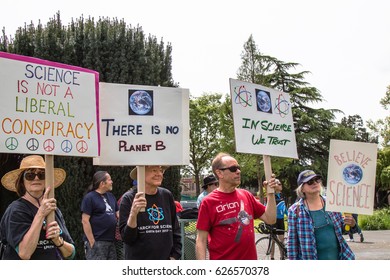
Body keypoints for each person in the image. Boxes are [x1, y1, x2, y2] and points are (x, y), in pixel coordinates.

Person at [196, 152, 277, 260]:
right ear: (219, 173)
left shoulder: (246, 195)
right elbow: (201, 240)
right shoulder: (208, 202)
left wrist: (270, 193)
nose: (238, 171)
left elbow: (270, 219)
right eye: (233, 169)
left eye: (238, 168)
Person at [0, 155, 75, 260]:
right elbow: (24, 253)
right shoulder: (16, 210)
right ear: (22, 181)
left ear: (47, 180)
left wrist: (58, 240)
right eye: (30, 175)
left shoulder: (54, 210)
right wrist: (41, 214)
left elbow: (71, 253)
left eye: (42, 175)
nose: (36, 178)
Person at [287, 169, 356, 260]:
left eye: (317, 179)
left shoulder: (332, 203)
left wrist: (352, 224)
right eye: (310, 182)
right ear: (302, 188)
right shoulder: (295, 210)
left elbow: (342, 230)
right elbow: (292, 243)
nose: (315, 183)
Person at [119, 166, 182, 260]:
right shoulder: (129, 198)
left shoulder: (167, 195)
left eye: (161, 171)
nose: (159, 174)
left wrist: (175, 256)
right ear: (141, 174)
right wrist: (133, 214)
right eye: (154, 170)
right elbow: (127, 238)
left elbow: (175, 229)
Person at [81, 171, 119, 260]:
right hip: (97, 242)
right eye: (109, 180)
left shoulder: (111, 196)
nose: (112, 182)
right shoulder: (89, 198)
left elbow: (118, 214)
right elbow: (85, 220)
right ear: (102, 183)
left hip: (111, 241)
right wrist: (92, 242)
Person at [269, 178, 287, 260]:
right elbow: (267, 207)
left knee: (281, 240)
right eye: (278, 184)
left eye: (280, 183)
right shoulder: (272, 196)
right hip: (274, 220)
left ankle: (282, 257)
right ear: (275, 186)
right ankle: (272, 257)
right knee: (273, 239)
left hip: (281, 220)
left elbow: (284, 207)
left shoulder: (282, 195)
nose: (281, 185)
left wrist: (289, 215)